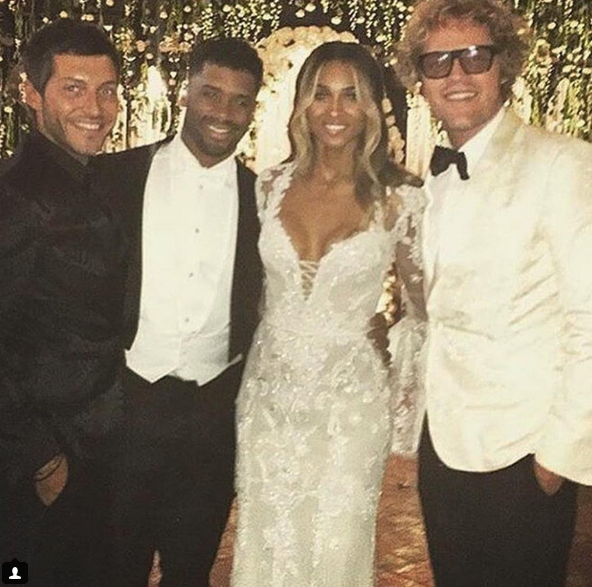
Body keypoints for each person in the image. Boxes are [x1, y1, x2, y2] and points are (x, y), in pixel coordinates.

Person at [393, 0, 592, 585]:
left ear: (503, 65)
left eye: (475, 57)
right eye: (438, 62)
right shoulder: (432, 180)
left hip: (522, 453)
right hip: (442, 445)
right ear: (420, 80)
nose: (456, 74)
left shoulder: (562, 163)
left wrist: (558, 456)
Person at [231, 41, 424, 587]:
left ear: (372, 108)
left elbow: (423, 305)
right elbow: (253, 290)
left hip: (350, 403)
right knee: (267, 540)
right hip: (269, 395)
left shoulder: (400, 197)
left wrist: (388, 345)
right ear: (302, 104)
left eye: (350, 96)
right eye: (321, 94)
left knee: (336, 545)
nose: (335, 110)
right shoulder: (268, 187)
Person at [96, 38, 264, 587]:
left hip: (212, 418)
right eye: (211, 93)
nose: (224, 112)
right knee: (113, 568)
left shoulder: (264, 198)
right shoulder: (112, 177)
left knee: (190, 572)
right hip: (124, 406)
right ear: (185, 91)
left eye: (240, 100)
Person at [0, 18, 123, 587]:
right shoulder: (15, 197)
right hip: (41, 466)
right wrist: (41, 457)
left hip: (99, 451)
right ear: (31, 94)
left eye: (107, 90)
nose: (95, 108)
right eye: (74, 88)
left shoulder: (93, 178)